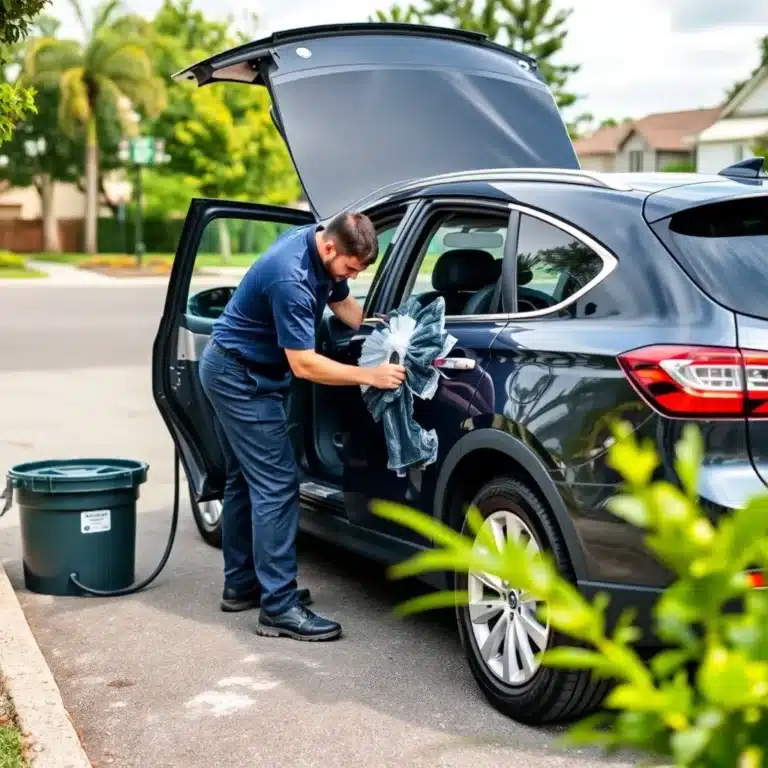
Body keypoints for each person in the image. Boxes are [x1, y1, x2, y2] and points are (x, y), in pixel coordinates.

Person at [199, 211, 406, 642]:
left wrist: (381, 330)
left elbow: (340, 301)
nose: (351, 274)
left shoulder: (323, 250)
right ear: (330, 248)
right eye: (350, 266)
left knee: (242, 480)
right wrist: (371, 375)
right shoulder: (289, 277)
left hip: (233, 368)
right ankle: (278, 607)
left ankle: (242, 585)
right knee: (276, 485)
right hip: (240, 379)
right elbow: (304, 364)